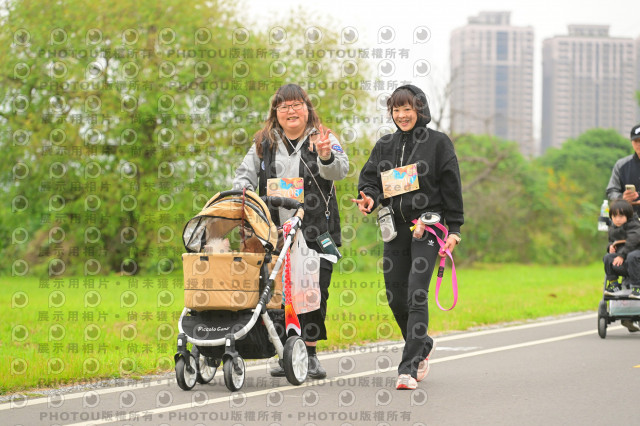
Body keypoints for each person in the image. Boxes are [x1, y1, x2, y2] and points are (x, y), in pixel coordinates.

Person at [233, 83, 349, 379]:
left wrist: (326, 155)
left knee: (313, 292)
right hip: (274, 233)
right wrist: (243, 195)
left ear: (307, 109)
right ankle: (287, 351)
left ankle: (309, 354)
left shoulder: (323, 137)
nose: (291, 111)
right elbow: (243, 176)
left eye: (297, 104)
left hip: (315, 231)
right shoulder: (263, 142)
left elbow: (340, 171)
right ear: (276, 113)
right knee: (278, 294)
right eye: (283, 106)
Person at [352, 85, 463, 390]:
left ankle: (408, 368)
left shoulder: (438, 143)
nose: (401, 115)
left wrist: (455, 229)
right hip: (395, 229)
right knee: (395, 295)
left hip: (428, 228)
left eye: (407, 109)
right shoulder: (385, 145)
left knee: (416, 293)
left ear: (420, 110)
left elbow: (452, 187)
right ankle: (422, 344)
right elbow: (370, 181)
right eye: (396, 110)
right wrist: (369, 198)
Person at [603, 199, 640, 310]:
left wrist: (621, 255)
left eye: (621, 216)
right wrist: (610, 247)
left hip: (636, 258)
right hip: (624, 262)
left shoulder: (634, 225)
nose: (617, 219)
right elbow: (611, 241)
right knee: (607, 258)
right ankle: (614, 284)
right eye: (614, 216)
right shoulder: (613, 228)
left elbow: (633, 241)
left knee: (632, 256)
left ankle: (637, 287)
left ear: (628, 216)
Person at [606, 124, 640, 214]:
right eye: (636, 141)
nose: (639, 144)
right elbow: (611, 190)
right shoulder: (621, 165)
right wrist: (622, 198)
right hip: (628, 217)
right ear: (631, 142)